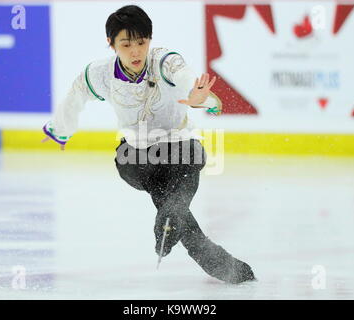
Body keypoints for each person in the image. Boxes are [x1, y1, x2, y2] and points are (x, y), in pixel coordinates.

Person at [42, 5, 255, 284]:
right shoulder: (100, 73)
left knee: (181, 177)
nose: (135, 52)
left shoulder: (165, 61)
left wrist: (197, 96)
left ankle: (184, 231)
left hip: (180, 150)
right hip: (136, 158)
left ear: (150, 40)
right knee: (164, 188)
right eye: (126, 44)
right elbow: (76, 95)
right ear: (111, 43)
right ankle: (174, 217)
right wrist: (61, 129)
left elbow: (189, 80)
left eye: (141, 43)